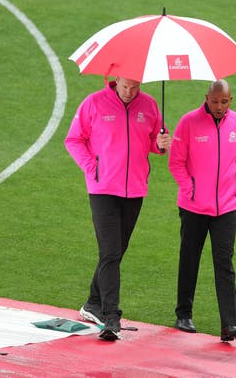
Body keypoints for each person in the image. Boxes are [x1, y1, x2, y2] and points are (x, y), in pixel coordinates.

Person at [64, 77, 171, 341]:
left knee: (115, 251)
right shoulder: (94, 103)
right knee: (110, 252)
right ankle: (112, 317)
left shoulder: (150, 106)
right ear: (116, 81)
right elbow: (74, 140)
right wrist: (93, 168)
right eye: (125, 87)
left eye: (134, 87)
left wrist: (160, 145)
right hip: (102, 190)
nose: (129, 92)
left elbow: (152, 142)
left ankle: (92, 303)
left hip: (134, 189)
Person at [168, 79, 236, 342]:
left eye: (224, 102)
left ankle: (229, 325)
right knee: (189, 257)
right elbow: (176, 162)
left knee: (224, 263)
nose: (218, 106)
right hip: (193, 207)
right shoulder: (188, 123)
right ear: (206, 98)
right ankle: (183, 314)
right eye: (214, 101)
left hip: (225, 208)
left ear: (231, 100)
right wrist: (189, 188)